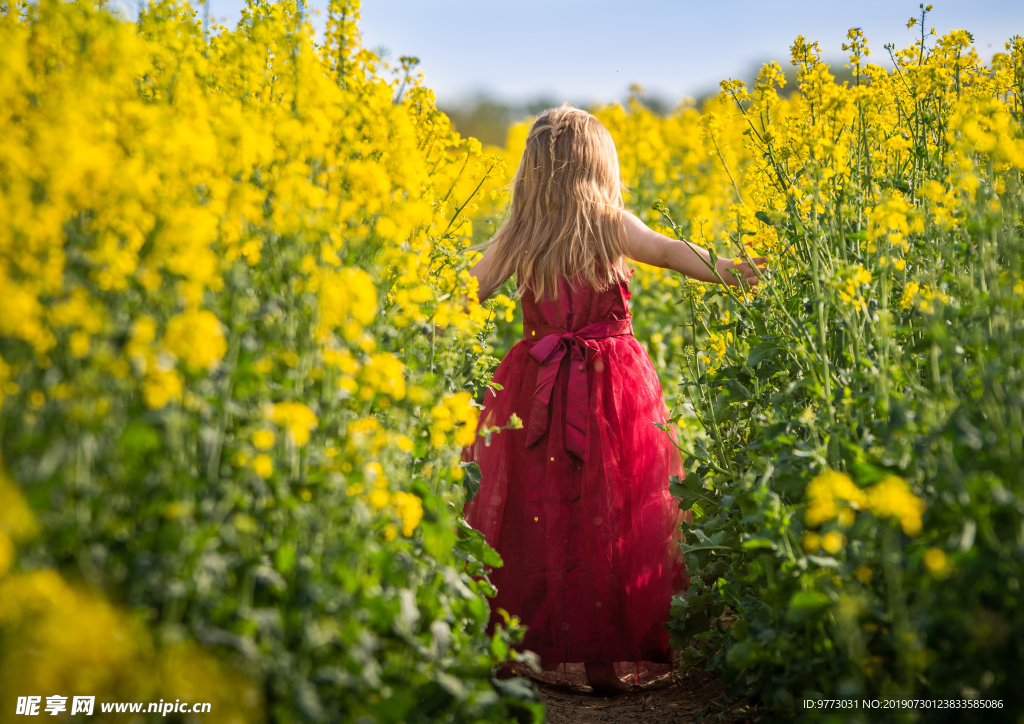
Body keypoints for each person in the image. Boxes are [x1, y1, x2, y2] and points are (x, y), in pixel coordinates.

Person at [463, 104, 764, 695]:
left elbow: (467, 289)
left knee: (538, 512)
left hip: (537, 386)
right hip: (611, 386)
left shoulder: (520, 231)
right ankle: (605, 659)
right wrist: (731, 270)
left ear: (532, 170)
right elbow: (672, 251)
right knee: (611, 512)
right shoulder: (609, 221)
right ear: (599, 166)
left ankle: (534, 646)